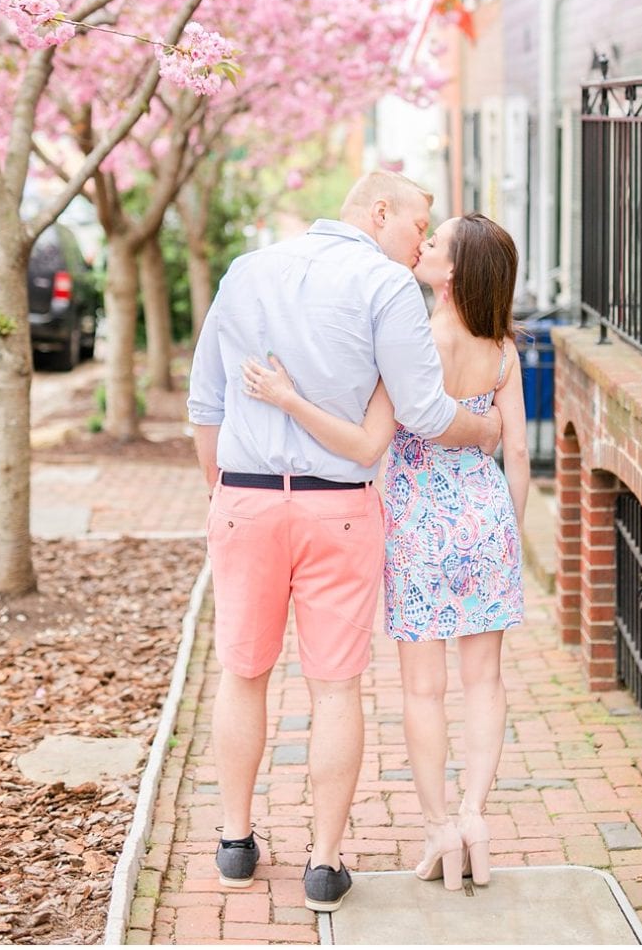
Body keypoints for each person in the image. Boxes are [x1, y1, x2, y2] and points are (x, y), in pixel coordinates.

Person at [185, 171, 502, 913]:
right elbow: (423, 410)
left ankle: (235, 843)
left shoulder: (247, 270)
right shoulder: (386, 286)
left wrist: (224, 492)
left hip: (246, 499)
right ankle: (325, 864)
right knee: (335, 687)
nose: (422, 240)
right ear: (379, 210)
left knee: (243, 671)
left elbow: (207, 399)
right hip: (340, 510)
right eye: (419, 224)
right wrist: (484, 428)